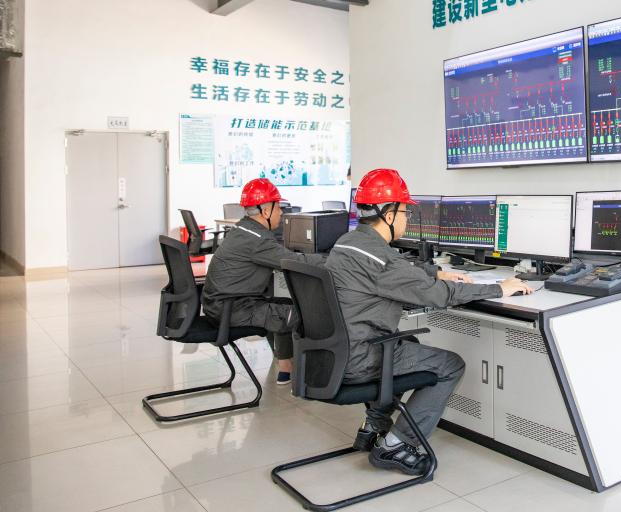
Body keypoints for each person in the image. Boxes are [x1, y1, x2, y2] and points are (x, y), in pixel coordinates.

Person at [325, 168, 531, 476]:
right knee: (450, 365)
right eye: (405, 212)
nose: (407, 219)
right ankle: (396, 445)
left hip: (333, 354)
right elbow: (439, 295)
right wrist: (499, 288)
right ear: (389, 214)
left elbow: (395, 270)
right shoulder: (383, 260)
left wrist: (434, 271)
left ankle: (374, 426)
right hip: (360, 359)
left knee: (407, 342)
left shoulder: (346, 243)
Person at [202, 177, 326, 384]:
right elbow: (294, 262)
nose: (281, 212)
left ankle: (285, 363)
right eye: (279, 207)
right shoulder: (257, 240)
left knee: (279, 296)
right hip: (235, 310)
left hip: (220, 306)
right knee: (306, 313)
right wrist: (333, 259)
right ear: (266, 211)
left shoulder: (242, 229)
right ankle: (315, 375)